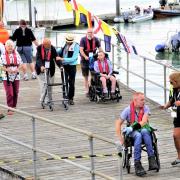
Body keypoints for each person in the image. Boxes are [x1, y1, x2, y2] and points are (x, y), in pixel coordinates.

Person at [115, 92, 158, 176]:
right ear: (135, 100)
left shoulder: (146, 108)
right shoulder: (127, 110)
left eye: (144, 99)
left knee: (145, 131)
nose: (144, 101)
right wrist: (120, 138)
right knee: (138, 135)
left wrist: (133, 127)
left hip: (142, 128)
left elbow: (144, 122)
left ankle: (151, 159)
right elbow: (118, 123)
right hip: (133, 133)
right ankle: (137, 163)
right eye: (141, 100)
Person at [160, 72, 180, 166]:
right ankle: (179, 157)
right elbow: (172, 100)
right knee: (175, 136)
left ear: (177, 81)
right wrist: (165, 106)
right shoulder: (174, 89)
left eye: (172, 82)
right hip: (177, 115)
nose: (170, 84)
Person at [0, 40, 22, 115]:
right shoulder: (3, 54)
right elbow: (0, 66)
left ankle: (14, 106)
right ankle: (9, 108)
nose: (10, 47)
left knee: (16, 92)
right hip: (6, 76)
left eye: (11, 46)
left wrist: (17, 69)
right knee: (9, 92)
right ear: (5, 47)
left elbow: (21, 64)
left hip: (16, 75)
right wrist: (7, 69)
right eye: (8, 46)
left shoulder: (16, 53)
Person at [35, 38, 60, 104]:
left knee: (50, 85)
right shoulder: (39, 48)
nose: (50, 45)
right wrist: (41, 66)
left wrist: (61, 66)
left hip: (50, 69)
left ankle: (49, 99)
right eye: (48, 44)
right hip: (41, 70)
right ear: (44, 44)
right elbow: (38, 59)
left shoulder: (52, 48)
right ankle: (43, 99)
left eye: (50, 43)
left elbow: (56, 58)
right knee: (44, 85)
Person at [57, 34, 80, 105]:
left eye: (69, 41)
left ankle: (71, 98)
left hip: (72, 66)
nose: (68, 42)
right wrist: (57, 51)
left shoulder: (76, 46)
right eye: (67, 41)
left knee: (71, 83)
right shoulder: (64, 44)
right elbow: (59, 52)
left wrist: (62, 59)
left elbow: (74, 58)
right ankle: (65, 97)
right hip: (64, 66)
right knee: (64, 82)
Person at [80, 28, 102, 97]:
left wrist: (102, 54)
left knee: (93, 75)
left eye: (91, 32)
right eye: (89, 32)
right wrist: (85, 56)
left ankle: (92, 89)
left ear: (93, 33)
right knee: (86, 76)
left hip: (93, 60)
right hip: (85, 60)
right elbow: (81, 50)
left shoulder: (96, 39)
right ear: (87, 33)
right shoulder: (83, 39)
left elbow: (100, 48)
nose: (90, 34)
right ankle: (87, 91)